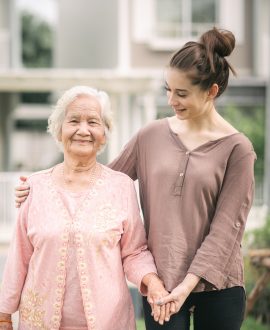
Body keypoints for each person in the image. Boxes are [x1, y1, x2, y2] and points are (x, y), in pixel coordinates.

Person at [14, 27, 256, 330]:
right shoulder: (150, 136)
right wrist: (41, 190)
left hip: (218, 286)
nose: (171, 100)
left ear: (211, 92)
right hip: (161, 285)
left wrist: (184, 289)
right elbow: (101, 184)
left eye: (181, 93)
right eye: (168, 89)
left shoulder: (238, 149)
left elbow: (226, 232)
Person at [0, 86, 173, 330]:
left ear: (104, 133)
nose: (83, 130)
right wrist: (4, 314)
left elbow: (134, 252)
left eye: (93, 122)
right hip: (40, 322)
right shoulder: (34, 187)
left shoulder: (121, 187)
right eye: (73, 121)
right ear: (59, 130)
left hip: (108, 322)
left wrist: (152, 282)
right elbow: (19, 256)